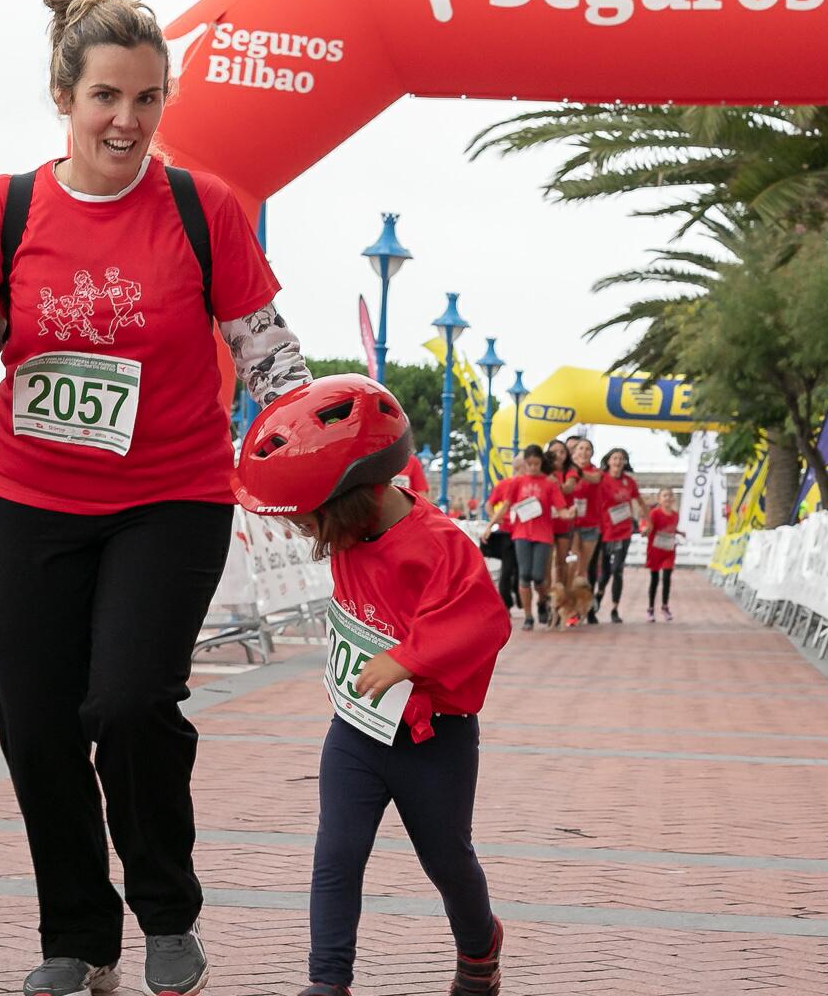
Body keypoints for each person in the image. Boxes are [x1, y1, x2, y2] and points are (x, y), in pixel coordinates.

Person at [0, 0, 308, 996]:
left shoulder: (200, 207)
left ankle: (166, 909)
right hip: (38, 500)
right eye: (106, 97)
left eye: (147, 98)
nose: (126, 120)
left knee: (127, 702)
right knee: (34, 726)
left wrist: (308, 450)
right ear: (62, 96)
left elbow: (273, 360)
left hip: (172, 497)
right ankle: (79, 936)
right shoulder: (9, 205)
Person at [231, 375, 509, 996]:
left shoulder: (439, 545)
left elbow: (483, 621)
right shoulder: (352, 531)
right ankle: (328, 982)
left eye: (308, 520)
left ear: (348, 503)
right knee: (337, 855)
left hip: (433, 737)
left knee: (446, 860)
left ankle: (479, 947)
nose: (306, 534)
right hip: (357, 730)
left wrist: (406, 661)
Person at [485, 446, 565, 632]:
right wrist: (490, 525)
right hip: (521, 534)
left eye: (537, 464)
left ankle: (542, 602)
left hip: (543, 534)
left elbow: (560, 507)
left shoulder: (549, 483)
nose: (533, 467)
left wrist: (568, 513)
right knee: (524, 575)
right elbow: (504, 506)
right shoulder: (517, 482)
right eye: (530, 464)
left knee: (538, 576)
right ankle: (528, 616)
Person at [590, 448, 644, 624]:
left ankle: (614, 608)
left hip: (624, 531)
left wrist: (647, 521)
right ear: (608, 461)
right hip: (606, 530)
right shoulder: (601, 478)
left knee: (617, 570)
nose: (618, 462)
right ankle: (598, 596)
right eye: (615, 458)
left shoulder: (629, 482)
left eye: (622, 459)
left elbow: (640, 502)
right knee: (605, 572)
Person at [557, 437, 601, 627]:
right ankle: (568, 607)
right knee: (572, 565)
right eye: (579, 449)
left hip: (591, 525)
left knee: (583, 569)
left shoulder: (595, 471)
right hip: (571, 525)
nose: (583, 452)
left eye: (587, 449)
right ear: (573, 453)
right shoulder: (566, 472)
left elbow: (594, 479)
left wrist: (577, 469)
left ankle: (581, 605)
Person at [646, 487, 681, 621]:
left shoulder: (675, 515)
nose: (667, 498)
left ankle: (665, 606)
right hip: (655, 550)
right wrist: (645, 530)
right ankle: (650, 609)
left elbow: (671, 528)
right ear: (659, 499)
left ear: (673, 499)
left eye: (670, 495)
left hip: (669, 551)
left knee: (667, 578)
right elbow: (649, 526)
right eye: (664, 496)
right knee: (654, 580)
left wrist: (679, 532)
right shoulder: (654, 513)